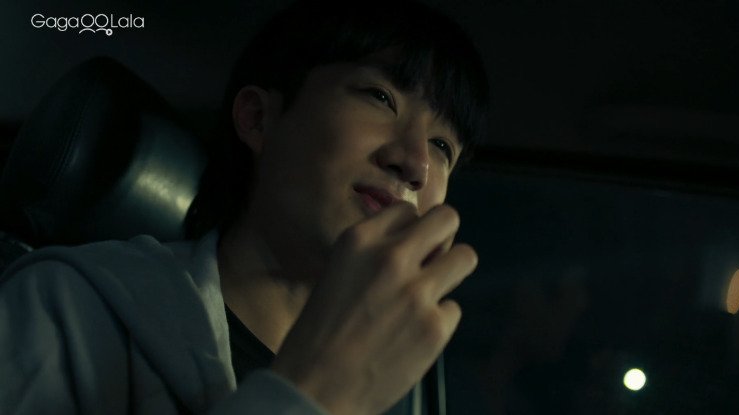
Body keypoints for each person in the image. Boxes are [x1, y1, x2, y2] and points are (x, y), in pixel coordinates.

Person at [0, 0, 489, 413]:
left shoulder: (398, 384)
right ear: (258, 119)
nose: (416, 163)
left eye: (442, 146)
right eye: (380, 97)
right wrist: (313, 394)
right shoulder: (67, 307)